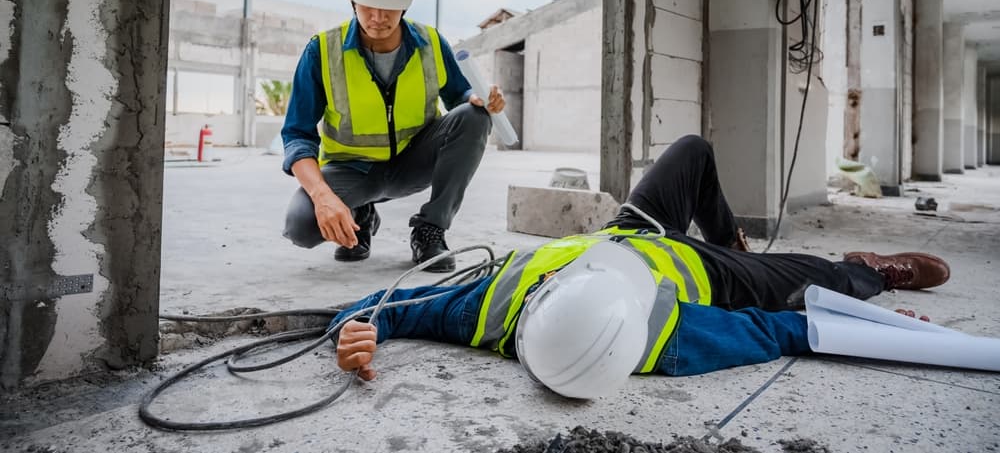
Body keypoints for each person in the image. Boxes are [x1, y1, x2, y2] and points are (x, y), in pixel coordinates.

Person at [332, 135, 951, 397]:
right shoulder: (666, 340)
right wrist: (877, 326)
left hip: (633, 230)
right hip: (709, 272)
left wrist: (359, 331)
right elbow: (780, 330)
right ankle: (871, 270)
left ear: (542, 298)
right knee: (821, 278)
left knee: (692, 151)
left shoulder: (486, 307)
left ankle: (733, 240)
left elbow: (388, 307)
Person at [281, 0, 506, 272]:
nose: (377, 18)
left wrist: (480, 98)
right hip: (353, 171)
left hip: (413, 164)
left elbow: (461, 98)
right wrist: (323, 197)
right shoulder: (322, 51)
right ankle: (361, 215)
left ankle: (430, 229)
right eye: (368, 6)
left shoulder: (431, 43)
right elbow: (297, 134)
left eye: (388, 8)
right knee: (301, 225)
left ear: (407, 0)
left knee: (475, 117)